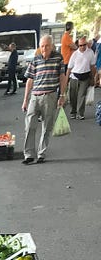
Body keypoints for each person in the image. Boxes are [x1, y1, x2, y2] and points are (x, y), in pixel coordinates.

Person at [21, 35, 68, 164]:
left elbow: (62, 78)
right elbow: (30, 80)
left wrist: (62, 96)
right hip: (35, 97)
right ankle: (29, 154)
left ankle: (41, 153)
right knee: (30, 126)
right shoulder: (35, 60)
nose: (44, 48)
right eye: (42, 46)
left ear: (52, 46)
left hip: (50, 96)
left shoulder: (58, 58)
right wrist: (25, 99)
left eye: (47, 46)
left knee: (47, 127)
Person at [67, 35, 96, 117]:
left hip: (85, 76)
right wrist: (65, 82)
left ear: (86, 44)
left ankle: (80, 113)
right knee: (73, 96)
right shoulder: (75, 54)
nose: (82, 47)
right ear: (78, 45)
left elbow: (92, 66)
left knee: (82, 95)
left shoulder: (90, 52)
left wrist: (93, 79)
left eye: (84, 45)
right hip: (74, 77)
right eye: (80, 45)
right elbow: (69, 69)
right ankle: (73, 111)